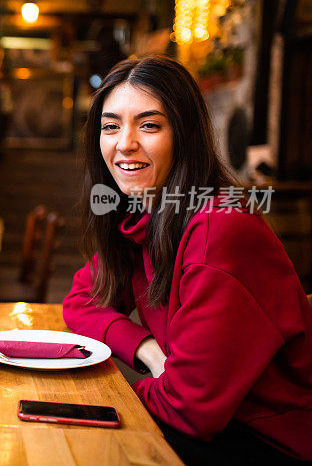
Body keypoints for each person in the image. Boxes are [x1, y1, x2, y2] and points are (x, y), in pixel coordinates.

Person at [63, 56, 312, 464]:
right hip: (207, 426)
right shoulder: (141, 213)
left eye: (149, 125)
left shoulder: (221, 228)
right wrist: (147, 350)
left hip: (263, 443)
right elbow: (80, 300)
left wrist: (104, 401)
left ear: (185, 135)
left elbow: (186, 408)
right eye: (111, 126)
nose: (124, 143)